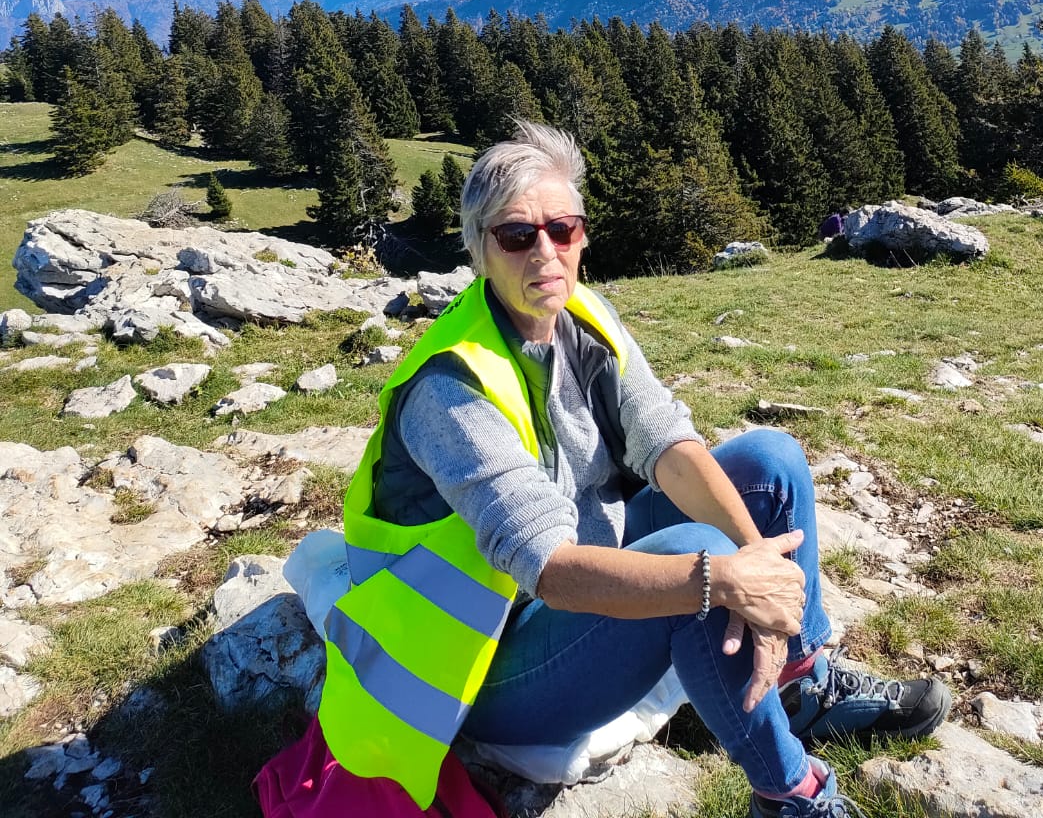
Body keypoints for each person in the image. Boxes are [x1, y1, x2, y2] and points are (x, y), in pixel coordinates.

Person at [317, 122, 950, 818]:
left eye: (562, 229)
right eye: (517, 236)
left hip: (574, 584)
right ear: (479, 250)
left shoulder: (582, 315)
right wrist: (724, 577)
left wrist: (763, 570)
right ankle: (791, 795)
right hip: (481, 667)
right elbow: (549, 568)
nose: (546, 252)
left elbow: (667, 444)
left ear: (582, 235)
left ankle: (799, 681)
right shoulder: (451, 389)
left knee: (771, 463)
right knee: (700, 564)